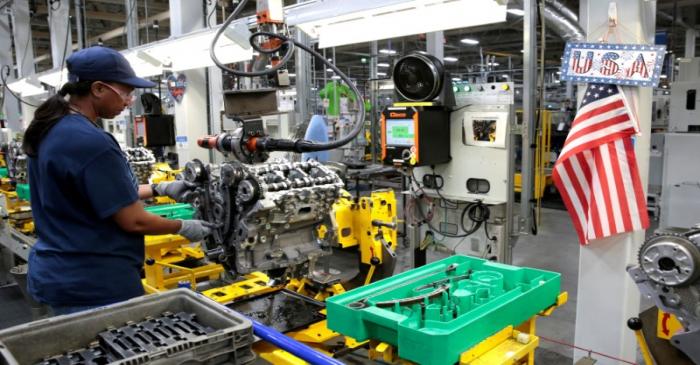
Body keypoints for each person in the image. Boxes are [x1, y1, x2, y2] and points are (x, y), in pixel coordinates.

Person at [24, 46, 212, 316]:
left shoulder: (52, 128)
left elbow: (93, 195)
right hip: (95, 281)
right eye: (126, 92)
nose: (129, 101)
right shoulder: (91, 142)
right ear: (98, 89)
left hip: (62, 269)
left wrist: (159, 188)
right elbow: (133, 220)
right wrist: (183, 226)